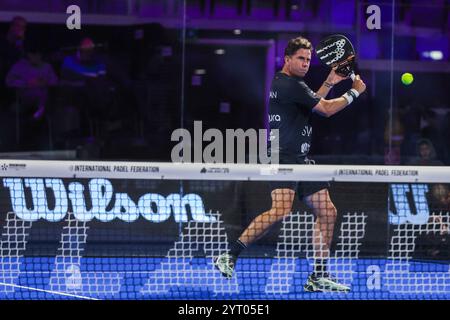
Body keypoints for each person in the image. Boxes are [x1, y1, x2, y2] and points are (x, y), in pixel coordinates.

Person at [214, 37, 366, 292]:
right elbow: (326, 109)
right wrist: (354, 93)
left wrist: (330, 81)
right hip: (283, 157)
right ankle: (230, 255)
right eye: (301, 59)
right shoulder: (288, 84)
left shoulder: (292, 84)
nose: (306, 64)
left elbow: (312, 106)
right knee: (281, 210)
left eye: (308, 59)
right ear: (287, 59)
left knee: (327, 212)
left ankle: (318, 276)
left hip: (301, 159)